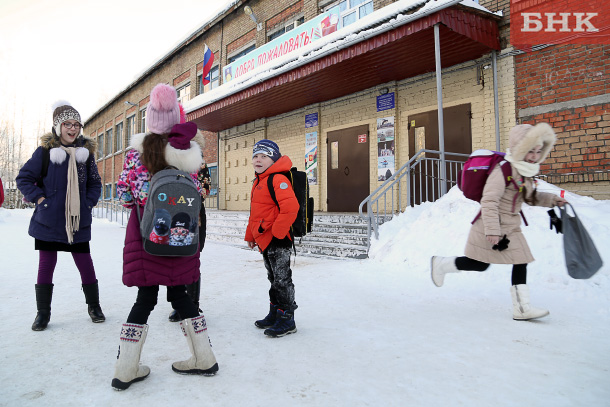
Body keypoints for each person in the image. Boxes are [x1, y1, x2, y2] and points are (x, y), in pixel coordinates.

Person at [112, 83, 217, 391]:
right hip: (181, 238)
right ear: (174, 117)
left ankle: (126, 368)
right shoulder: (189, 152)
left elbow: (124, 196)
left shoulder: (136, 154)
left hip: (147, 239)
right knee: (182, 297)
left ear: (149, 119)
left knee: (144, 299)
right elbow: (198, 193)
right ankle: (205, 358)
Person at [430, 123, 568, 321]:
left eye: (538, 151)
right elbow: (489, 200)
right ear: (520, 148)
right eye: (530, 151)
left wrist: (554, 200)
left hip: (510, 226)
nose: (534, 157)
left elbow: (531, 197)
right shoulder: (503, 169)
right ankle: (441, 264)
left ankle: (521, 308)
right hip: (490, 224)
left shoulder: (524, 171)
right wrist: (492, 231)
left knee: (518, 260)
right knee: (480, 264)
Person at [16, 102, 104, 331]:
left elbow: (95, 182)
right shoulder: (45, 153)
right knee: (46, 265)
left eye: (76, 124)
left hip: (78, 219)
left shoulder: (85, 154)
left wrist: (88, 203)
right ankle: (42, 313)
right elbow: (24, 178)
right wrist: (40, 199)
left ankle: (94, 306)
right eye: (67, 124)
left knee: (85, 263)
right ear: (58, 127)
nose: (72, 129)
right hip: (49, 219)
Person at [245, 139, 300, 337]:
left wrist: (277, 232)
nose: (258, 160)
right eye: (255, 156)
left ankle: (287, 319)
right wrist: (250, 235)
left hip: (279, 238)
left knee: (282, 279)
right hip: (264, 238)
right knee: (273, 278)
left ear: (273, 159)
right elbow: (255, 213)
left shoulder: (278, 179)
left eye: (264, 156)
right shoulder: (259, 181)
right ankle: (275, 313)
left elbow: (291, 208)